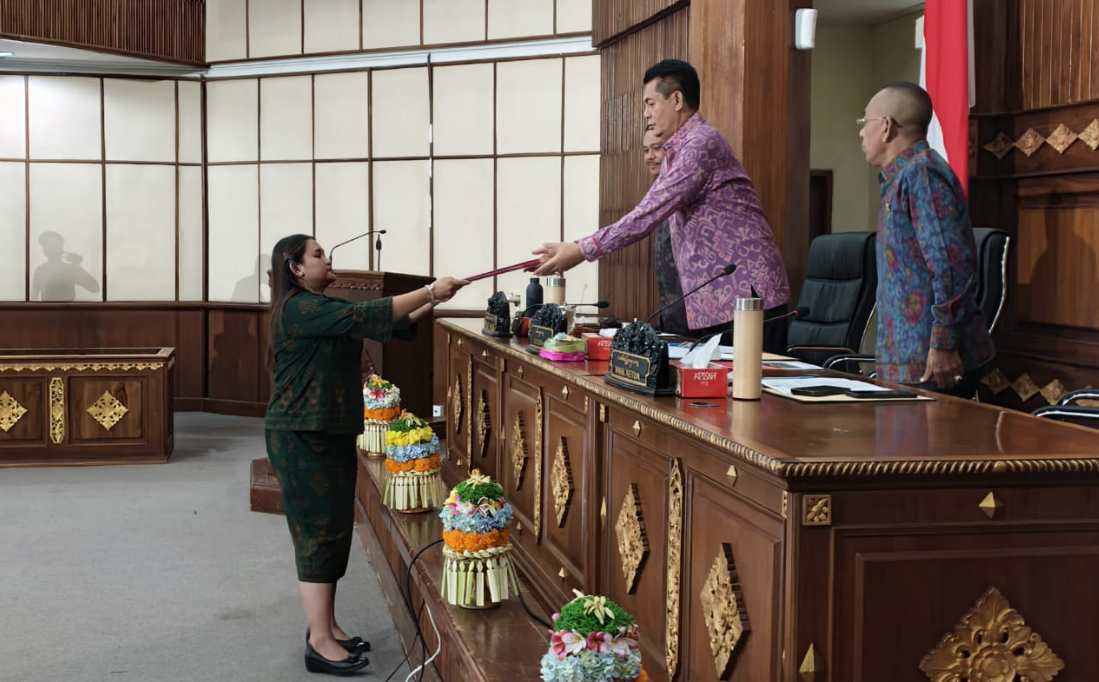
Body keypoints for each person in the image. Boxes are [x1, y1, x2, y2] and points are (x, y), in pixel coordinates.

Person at [265, 234, 468, 675]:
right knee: (318, 531)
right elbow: (370, 312)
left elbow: (392, 321)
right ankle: (318, 641)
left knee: (335, 528)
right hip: (302, 434)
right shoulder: (302, 308)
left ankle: (327, 625)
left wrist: (438, 297)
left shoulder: (327, 308)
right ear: (295, 268)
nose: (327, 258)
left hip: (327, 432)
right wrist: (431, 289)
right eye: (318, 254)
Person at [533, 59, 791, 352]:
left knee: (752, 393)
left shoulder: (701, 143)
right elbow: (644, 210)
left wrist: (582, 250)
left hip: (746, 294)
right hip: (715, 301)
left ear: (677, 99)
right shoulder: (676, 151)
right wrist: (577, 245)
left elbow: (648, 214)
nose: (646, 114)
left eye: (651, 103)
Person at [859, 82, 994, 397]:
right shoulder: (900, 178)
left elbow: (950, 266)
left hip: (933, 362)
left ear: (887, 127)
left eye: (865, 123)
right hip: (904, 359)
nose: (861, 133)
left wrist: (944, 342)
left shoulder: (922, 175)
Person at [642, 126, 689, 335]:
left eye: (657, 148)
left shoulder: (688, 186)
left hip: (703, 315)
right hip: (673, 315)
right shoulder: (657, 192)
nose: (649, 157)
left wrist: (583, 249)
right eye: (645, 150)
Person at [31, 231, 100, 302]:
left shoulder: (41, 270)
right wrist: (76, 265)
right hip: (65, 311)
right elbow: (95, 288)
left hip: (55, 312)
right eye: (46, 246)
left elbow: (95, 288)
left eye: (50, 246)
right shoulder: (70, 269)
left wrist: (76, 266)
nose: (46, 249)